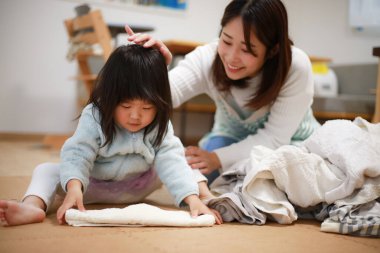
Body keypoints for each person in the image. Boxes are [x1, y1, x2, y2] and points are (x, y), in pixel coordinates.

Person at [0, 44, 222, 226]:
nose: (136, 116)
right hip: (92, 187)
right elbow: (79, 152)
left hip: (139, 186)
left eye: (146, 108)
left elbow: (170, 160)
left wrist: (189, 198)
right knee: (46, 170)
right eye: (126, 106)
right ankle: (32, 206)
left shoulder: (159, 122)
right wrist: (75, 187)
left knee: (181, 157)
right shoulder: (95, 115)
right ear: (110, 97)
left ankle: (203, 198)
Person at [126, 0, 320, 184]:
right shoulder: (208, 58)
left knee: (287, 179)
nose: (232, 58)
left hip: (292, 144)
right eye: (226, 41)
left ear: (272, 51)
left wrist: (217, 158)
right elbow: (161, 96)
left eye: (247, 49)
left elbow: (274, 139)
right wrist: (152, 67)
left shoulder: (295, 66)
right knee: (196, 179)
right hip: (228, 139)